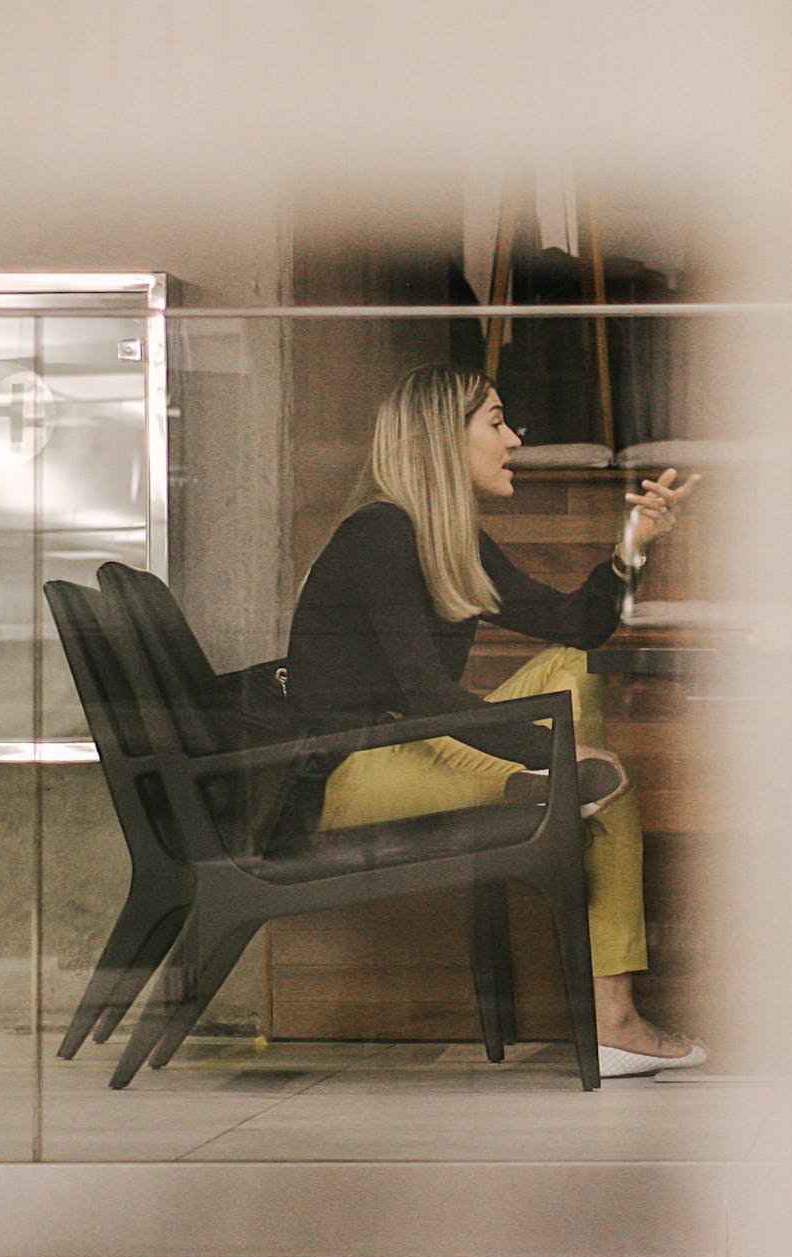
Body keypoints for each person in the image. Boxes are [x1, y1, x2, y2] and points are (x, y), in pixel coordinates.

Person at [285, 362, 702, 1078]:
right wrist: (553, 749)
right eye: (496, 422)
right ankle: (614, 1019)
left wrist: (632, 542)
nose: (513, 439)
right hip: (351, 772)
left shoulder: (447, 536)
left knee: (571, 662)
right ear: (444, 440)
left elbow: (576, 623)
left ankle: (556, 787)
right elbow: (426, 700)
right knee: (603, 787)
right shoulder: (379, 535)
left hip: (407, 746)